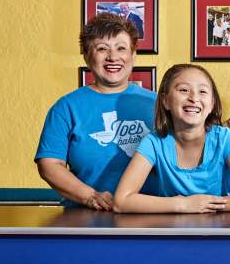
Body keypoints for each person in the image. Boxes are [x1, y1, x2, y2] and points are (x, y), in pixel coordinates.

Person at [35, 13, 156, 210]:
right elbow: (49, 165)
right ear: (86, 55)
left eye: (121, 48)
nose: (113, 57)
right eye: (102, 49)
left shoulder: (158, 103)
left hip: (151, 216)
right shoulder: (66, 108)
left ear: (133, 55)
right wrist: (90, 196)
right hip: (84, 218)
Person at [113, 64, 230, 213]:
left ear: (212, 103)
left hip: (217, 232)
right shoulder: (154, 142)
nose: (194, 98)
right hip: (170, 231)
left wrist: (205, 204)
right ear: (165, 101)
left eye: (202, 91)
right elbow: (121, 201)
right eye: (184, 90)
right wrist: (184, 204)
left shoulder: (225, 139)